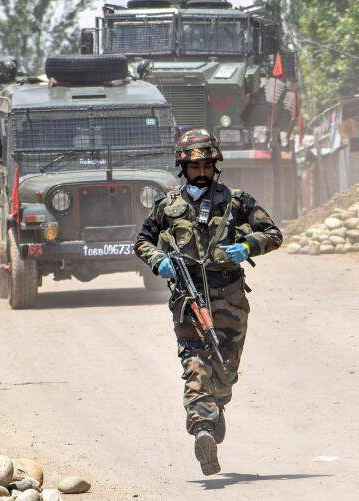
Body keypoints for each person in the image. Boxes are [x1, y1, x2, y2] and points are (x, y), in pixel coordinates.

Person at [134, 129, 282, 475]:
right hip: (189, 298)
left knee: (225, 369)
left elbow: (273, 234)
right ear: (183, 168)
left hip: (229, 297)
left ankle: (217, 405)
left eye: (206, 165)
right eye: (193, 166)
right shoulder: (167, 205)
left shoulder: (237, 201)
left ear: (215, 165)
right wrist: (158, 260)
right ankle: (202, 428)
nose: (200, 172)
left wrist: (247, 246)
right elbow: (142, 241)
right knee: (195, 362)